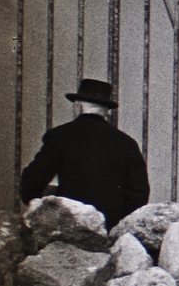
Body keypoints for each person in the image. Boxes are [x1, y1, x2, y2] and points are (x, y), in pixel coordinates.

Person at [19, 78, 150, 232]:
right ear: (106, 111)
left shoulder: (59, 136)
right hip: (109, 230)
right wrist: (116, 222)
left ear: (77, 106)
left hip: (69, 227)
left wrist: (43, 207)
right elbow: (139, 194)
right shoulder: (127, 143)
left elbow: (31, 182)